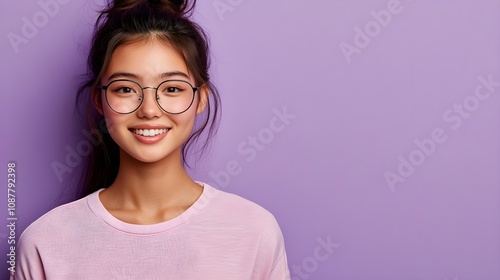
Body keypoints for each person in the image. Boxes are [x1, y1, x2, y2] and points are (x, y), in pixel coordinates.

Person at [12, 0, 290, 279]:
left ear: (200, 98)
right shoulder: (45, 243)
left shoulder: (254, 233)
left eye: (171, 88)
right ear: (100, 99)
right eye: (125, 89)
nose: (149, 110)